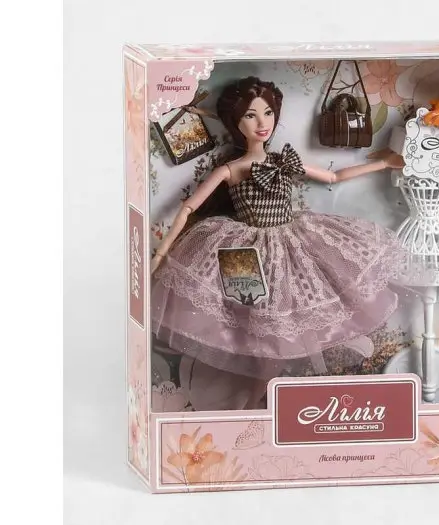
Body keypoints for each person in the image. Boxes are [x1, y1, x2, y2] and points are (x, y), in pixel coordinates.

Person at [150, 76, 404, 410]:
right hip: (242, 250)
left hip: (291, 246)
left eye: (268, 113)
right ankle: (252, 401)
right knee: (249, 328)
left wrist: (383, 163)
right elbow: (187, 208)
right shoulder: (231, 169)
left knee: (294, 322)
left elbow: (333, 177)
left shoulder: (283, 161)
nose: (262, 123)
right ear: (235, 122)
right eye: (250, 115)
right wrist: (162, 253)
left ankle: (282, 399)